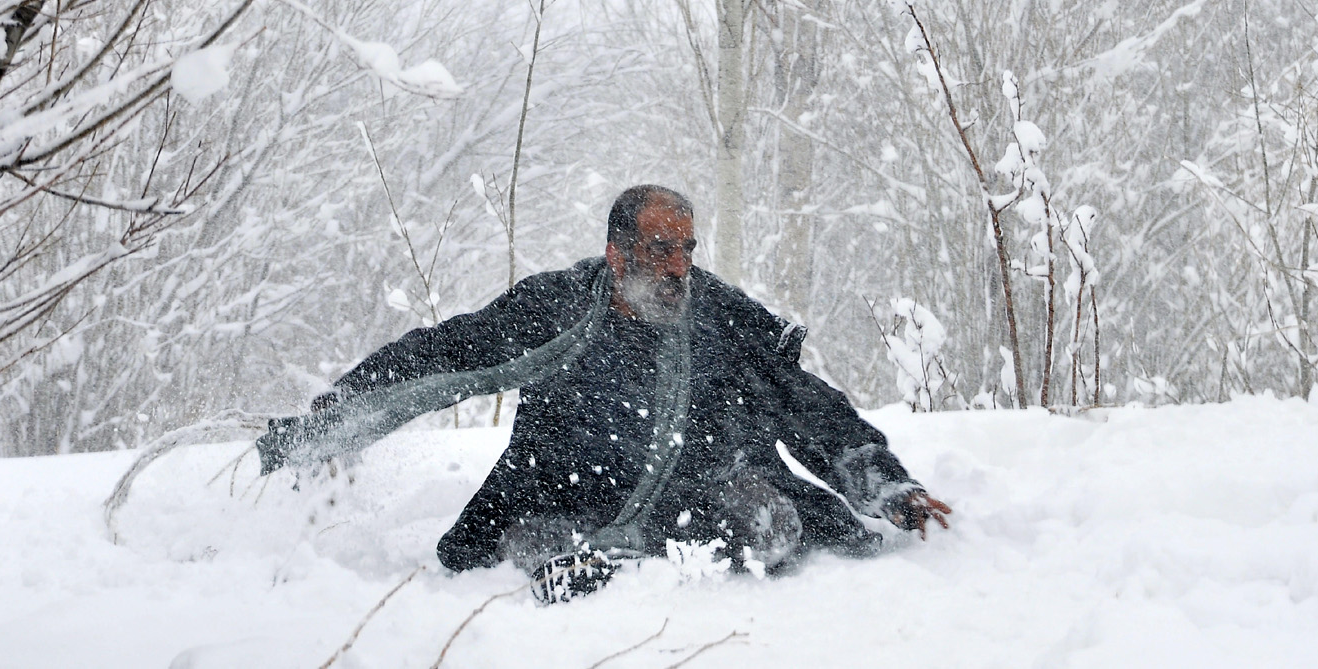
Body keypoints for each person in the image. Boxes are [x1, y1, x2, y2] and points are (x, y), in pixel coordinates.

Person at [256, 185, 949, 602]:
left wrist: (886, 484)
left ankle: (677, 563)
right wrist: (330, 425)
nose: (678, 267)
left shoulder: (723, 317)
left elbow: (807, 403)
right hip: (561, 490)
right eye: (659, 250)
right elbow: (444, 355)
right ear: (617, 254)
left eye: (687, 250)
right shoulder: (555, 307)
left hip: (694, 498)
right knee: (539, 533)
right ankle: (568, 571)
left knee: (777, 527)